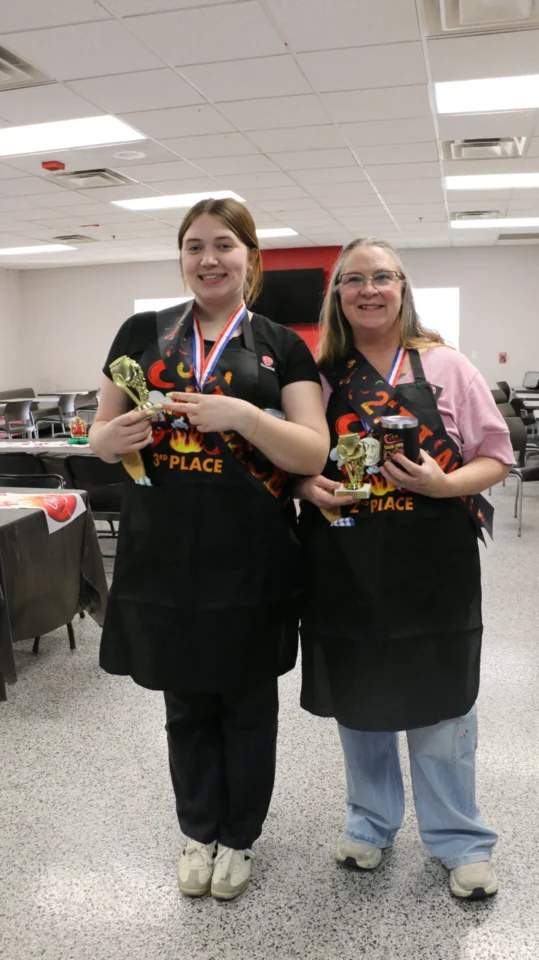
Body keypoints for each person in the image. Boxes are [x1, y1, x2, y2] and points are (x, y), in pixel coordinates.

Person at [89, 198, 328, 901]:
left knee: (248, 707)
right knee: (186, 705)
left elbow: (311, 450)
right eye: (193, 246)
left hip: (251, 557)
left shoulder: (281, 345)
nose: (208, 259)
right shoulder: (143, 332)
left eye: (223, 244)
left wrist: (244, 416)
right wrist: (109, 439)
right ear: (181, 257)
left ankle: (240, 838)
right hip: (163, 558)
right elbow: (97, 434)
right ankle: (198, 832)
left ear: (249, 256)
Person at [297, 238, 513, 900]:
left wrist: (444, 484)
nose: (368, 289)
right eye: (353, 279)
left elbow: (494, 457)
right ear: (337, 294)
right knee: (359, 699)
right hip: (344, 560)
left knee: (441, 701)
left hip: (433, 565)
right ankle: (369, 825)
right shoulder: (317, 375)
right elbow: (292, 459)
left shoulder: (446, 364)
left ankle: (459, 840)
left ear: (402, 287)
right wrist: (306, 486)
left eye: (381, 277)